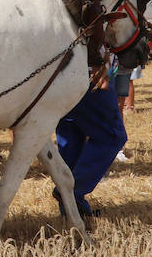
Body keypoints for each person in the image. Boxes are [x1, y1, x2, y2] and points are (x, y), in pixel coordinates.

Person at [54, 56, 128, 220]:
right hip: (88, 74)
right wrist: (99, 64)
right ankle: (71, 191)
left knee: (72, 137)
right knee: (112, 136)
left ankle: (72, 209)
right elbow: (92, 30)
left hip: (60, 76)